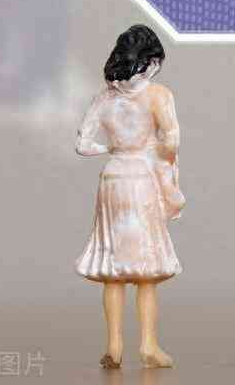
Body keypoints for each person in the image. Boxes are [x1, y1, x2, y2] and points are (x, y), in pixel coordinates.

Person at [75, 24, 184, 369]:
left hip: (112, 179)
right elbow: (171, 141)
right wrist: (162, 153)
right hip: (140, 180)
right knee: (145, 272)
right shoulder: (158, 95)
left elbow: (82, 144)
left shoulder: (103, 98)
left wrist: (110, 148)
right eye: (156, 62)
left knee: (114, 269)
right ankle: (148, 345)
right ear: (149, 61)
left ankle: (114, 345)